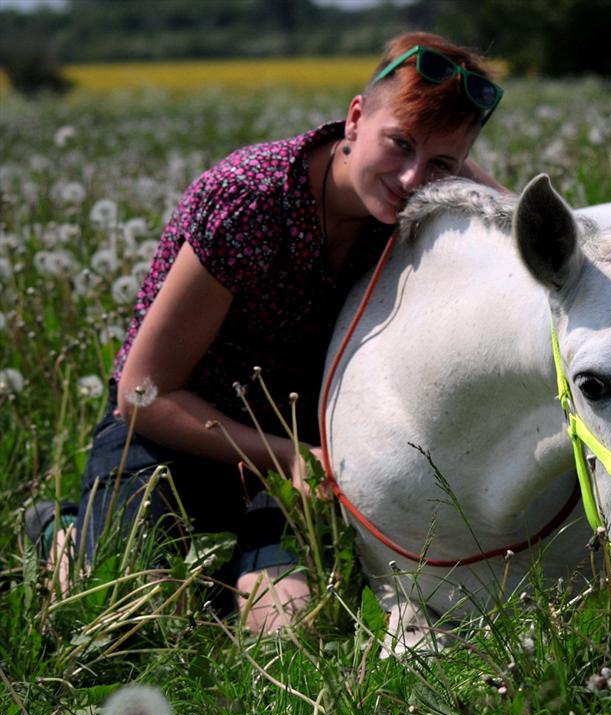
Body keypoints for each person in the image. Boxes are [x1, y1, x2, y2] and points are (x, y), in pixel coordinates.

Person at [30, 31, 506, 633]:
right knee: (126, 614)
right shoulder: (250, 199)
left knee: (287, 627)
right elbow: (141, 394)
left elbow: (525, 223)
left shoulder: (423, 195)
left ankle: (221, 566)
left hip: (299, 447)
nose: (413, 180)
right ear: (355, 119)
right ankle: (61, 532)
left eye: (440, 163)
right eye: (399, 144)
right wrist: (288, 457)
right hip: (173, 435)